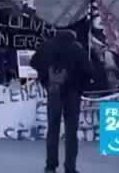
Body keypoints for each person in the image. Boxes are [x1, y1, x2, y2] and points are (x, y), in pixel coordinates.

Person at [31, 29, 93, 173]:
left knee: (53, 128)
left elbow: (33, 62)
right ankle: (70, 167)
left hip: (54, 91)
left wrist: (45, 78)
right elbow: (89, 71)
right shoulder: (77, 49)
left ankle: (50, 166)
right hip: (73, 93)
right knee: (71, 131)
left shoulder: (47, 46)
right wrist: (79, 85)